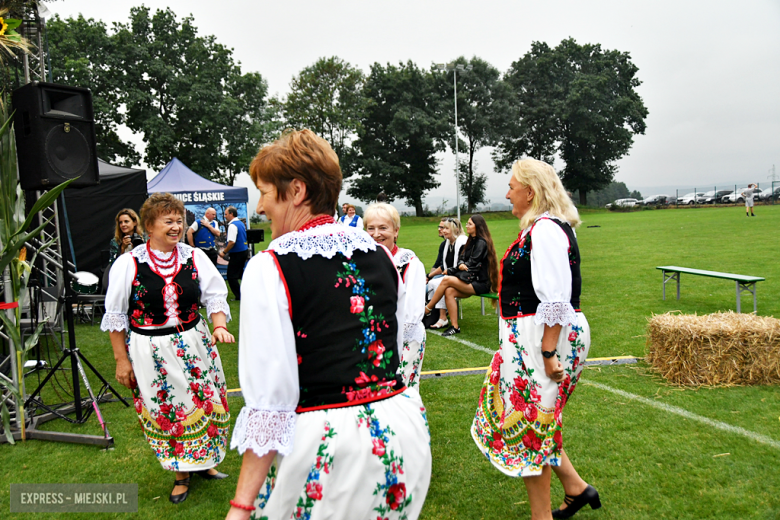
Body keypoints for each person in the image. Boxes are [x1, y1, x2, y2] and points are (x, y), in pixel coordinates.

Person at [227, 129, 431, 520]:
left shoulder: (269, 268)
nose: (260, 207)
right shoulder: (383, 255)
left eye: (265, 192)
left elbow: (271, 400)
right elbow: (400, 335)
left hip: (328, 445)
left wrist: (241, 506)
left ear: (297, 190)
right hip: (400, 434)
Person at [471, 159, 597, 520]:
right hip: (532, 338)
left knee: (531, 427)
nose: (507, 192)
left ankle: (541, 517)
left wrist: (546, 351)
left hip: (542, 340)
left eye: (512, 185)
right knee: (537, 422)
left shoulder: (544, 229)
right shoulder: (540, 228)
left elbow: (555, 297)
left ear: (531, 190)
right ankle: (575, 488)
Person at [101, 192, 235, 505]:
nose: (176, 226)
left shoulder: (194, 257)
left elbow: (214, 295)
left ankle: (205, 463)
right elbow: (117, 317)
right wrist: (122, 361)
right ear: (149, 225)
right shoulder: (129, 263)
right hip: (152, 349)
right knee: (170, 410)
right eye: (168, 221)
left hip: (194, 341)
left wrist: (218, 325)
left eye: (179, 220)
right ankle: (180, 474)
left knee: (204, 401)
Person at [365, 202, 427, 389]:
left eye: (383, 228)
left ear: (396, 231)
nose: (376, 234)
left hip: (403, 341)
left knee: (401, 395)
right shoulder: (362, 262)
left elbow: (412, 313)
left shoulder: (409, 263)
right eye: (371, 228)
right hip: (371, 342)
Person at [425, 215, 498, 337]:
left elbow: (472, 266)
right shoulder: (470, 240)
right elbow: (462, 259)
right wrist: (460, 265)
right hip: (470, 280)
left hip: (480, 283)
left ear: (477, 227)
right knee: (449, 291)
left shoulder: (481, 243)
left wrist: (452, 270)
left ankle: (428, 308)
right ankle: (454, 326)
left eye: (469, 224)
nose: (466, 226)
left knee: (446, 280)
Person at [425, 218, 466, 329]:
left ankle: (440, 316)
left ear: (455, 229)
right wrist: (429, 276)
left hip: (463, 277)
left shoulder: (462, 243)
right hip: (450, 275)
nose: (443, 231)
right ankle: (435, 315)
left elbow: (461, 265)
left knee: (442, 283)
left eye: (446, 228)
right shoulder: (447, 243)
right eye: (443, 228)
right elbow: (443, 265)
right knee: (433, 283)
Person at [219, 206, 248, 301]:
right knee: (239, 274)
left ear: (231, 214)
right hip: (243, 251)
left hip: (237, 253)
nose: (225, 216)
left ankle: (239, 296)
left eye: (226, 214)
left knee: (231, 276)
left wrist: (224, 252)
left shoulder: (232, 225)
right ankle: (245, 293)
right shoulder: (240, 223)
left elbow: (232, 242)